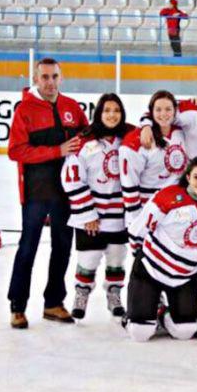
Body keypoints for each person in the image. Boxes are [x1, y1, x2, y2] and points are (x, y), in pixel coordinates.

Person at [6, 58, 89, 329]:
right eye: (45, 77)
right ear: (36, 79)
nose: (50, 82)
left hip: (67, 193)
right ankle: (17, 306)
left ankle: (54, 302)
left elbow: (88, 137)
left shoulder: (71, 107)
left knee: (63, 247)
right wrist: (57, 151)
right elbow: (16, 151)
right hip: (36, 192)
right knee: (28, 247)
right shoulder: (25, 110)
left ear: (61, 78)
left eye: (54, 77)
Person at [124, 157, 197, 342]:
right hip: (151, 271)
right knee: (140, 333)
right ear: (187, 177)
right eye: (196, 176)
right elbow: (139, 229)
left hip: (185, 277)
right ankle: (140, 310)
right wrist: (141, 261)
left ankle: (161, 312)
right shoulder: (167, 196)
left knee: (185, 331)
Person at [61, 94, 134, 320]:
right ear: (99, 113)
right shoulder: (84, 142)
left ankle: (114, 294)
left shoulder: (130, 139)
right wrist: (87, 213)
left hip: (120, 215)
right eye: (107, 110)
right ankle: (81, 294)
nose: (112, 115)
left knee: (116, 257)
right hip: (93, 216)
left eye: (116, 111)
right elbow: (72, 178)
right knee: (88, 258)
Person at [119, 90, 187, 250]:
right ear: (151, 111)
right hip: (148, 210)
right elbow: (129, 186)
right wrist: (135, 221)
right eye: (158, 110)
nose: (164, 114)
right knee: (144, 265)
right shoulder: (135, 142)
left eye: (168, 109)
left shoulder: (181, 132)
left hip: (176, 210)